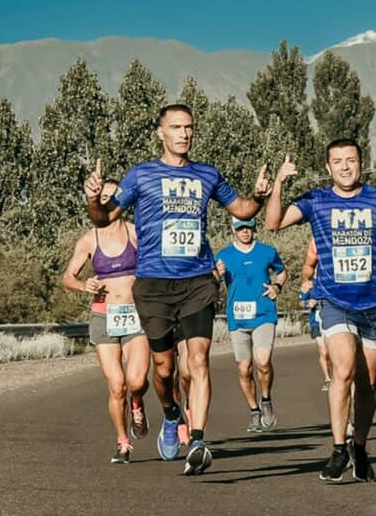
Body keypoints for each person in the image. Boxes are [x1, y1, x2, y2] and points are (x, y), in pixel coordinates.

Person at [84, 103, 271, 476]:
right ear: (161, 133)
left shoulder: (207, 174)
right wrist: (93, 196)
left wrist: (260, 196)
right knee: (163, 370)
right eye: (176, 127)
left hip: (198, 280)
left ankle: (198, 439)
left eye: (189, 127)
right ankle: (170, 413)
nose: (184, 134)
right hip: (154, 285)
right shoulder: (141, 176)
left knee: (198, 360)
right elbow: (103, 217)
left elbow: (243, 207)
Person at [266, 140, 376, 484]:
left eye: (351, 160)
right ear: (328, 167)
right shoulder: (317, 201)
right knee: (344, 371)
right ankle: (338, 449)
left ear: (361, 163)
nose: (345, 167)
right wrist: (279, 183)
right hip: (334, 301)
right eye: (338, 162)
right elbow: (273, 223)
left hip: (375, 304)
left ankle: (360, 448)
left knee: (368, 385)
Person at [62, 180, 149, 464]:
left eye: (115, 197)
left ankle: (138, 404)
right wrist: (83, 284)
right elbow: (67, 277)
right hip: (104, 315)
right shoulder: (89, 239)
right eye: (104, 196)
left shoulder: (136, 233)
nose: (110, 201)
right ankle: (123, 442)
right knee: (116, 385)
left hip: (136, 315)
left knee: (136, 381)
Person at [215, 217, 287, 433]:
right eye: (240, 228)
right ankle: (254, 411)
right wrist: (216, 275)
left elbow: (282, 272)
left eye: (248, 228)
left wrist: (276, 287)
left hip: (264, 314)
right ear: (233, 229)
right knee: (244, 369)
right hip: (237, 319)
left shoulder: (267, 251)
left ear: (255, 228)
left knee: (263, 362)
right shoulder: (224, 256)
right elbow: (211, 282)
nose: (245, 232)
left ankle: (266, 399)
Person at [300, 239, 332, 391]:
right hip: (316, 321)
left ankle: (337, 377)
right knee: (323, 351)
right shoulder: (309, 282)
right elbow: (301, 302)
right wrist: (308, 303)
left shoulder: (331, 281)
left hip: (331, 319)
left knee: (332, 352)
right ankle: (327, 378)